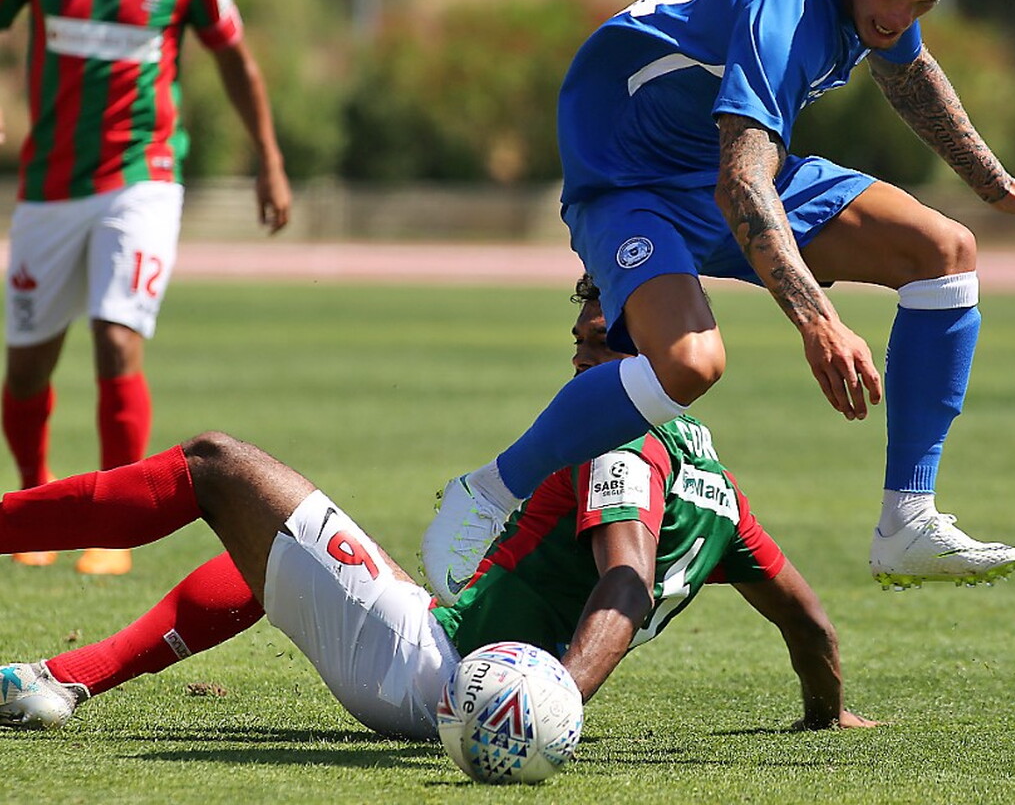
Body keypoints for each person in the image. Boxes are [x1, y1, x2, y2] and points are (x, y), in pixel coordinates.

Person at [423, 0, 1015, 603]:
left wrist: (998, 186)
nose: (899, 17)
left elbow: (906, 72)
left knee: (945, 252)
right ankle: (486, 494)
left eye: (923, 4)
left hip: (714, 158)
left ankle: (908, 520)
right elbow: (742, 185)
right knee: (690, 363)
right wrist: (819, 323)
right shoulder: (788, 12)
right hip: (628, 169)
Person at [0, 275, 875, 737]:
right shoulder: (715, 484)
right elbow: (809, 627)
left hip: (438, 675)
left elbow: (626, 583)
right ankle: (61, 681)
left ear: (652, 353)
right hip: (460, 672)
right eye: (577, 343)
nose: (580, 362)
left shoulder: (619, 444)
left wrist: (555, 702)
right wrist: (826, 711)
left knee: (215, 465)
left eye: (599, 347)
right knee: (278, 546)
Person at [0, 0, 291, 574]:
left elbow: (236, 59)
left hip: (143, 178)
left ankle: (112, 526)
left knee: (117, 339)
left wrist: (269, 158)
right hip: (49, 185)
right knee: (27, 365)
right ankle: (34, 506)